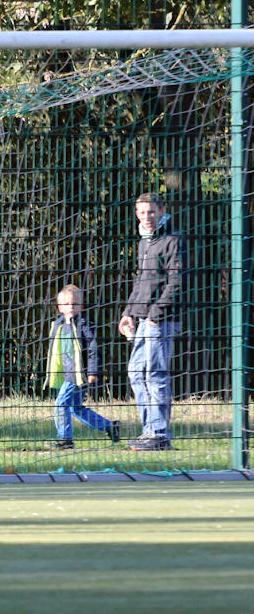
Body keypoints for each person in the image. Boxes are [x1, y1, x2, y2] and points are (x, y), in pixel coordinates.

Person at [118, 192, 183, 452]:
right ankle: (149, 432)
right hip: (143, 318)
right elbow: (142, 282)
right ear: (137, 214)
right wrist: (128, 312)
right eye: (142, 212)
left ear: (161, 210)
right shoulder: (145, 241)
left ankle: (159, 435)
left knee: (154, 374)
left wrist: (156, 314)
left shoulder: (173, 239)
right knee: (136, 372)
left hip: (162, 319)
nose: (147, 217)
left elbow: (176, 282)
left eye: (151, 212)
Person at [44, 284, 120, 450]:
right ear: (59, 308)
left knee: (61, 404)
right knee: (75, 408)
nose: (71, 307)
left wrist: (93, 371)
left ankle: (65, 440)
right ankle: (109, 427)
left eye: (75, 303)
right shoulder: (58, 325)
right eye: (67, 304)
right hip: (67, 373)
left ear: (81, 306)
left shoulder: (84, 325)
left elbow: (93, 349)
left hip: (79, 374)